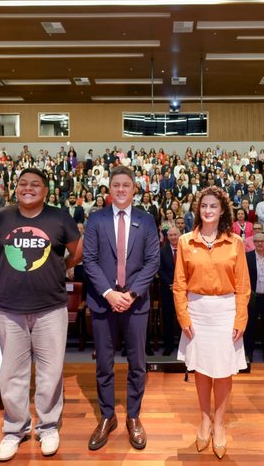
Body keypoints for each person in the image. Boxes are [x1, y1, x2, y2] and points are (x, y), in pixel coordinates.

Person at [0, 168, 82, 460]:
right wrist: (5, 268)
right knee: (12, 373)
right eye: (23, 183)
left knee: (51, 373)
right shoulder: (0, 218)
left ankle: (48, 427)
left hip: (51, 308)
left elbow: (77, 253)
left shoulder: (60, 218)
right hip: (9, 308)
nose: (28, 188)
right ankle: (15, 429)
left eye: (35, 184)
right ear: (16, 188)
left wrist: (59, 267)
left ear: (45, 191)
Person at [82, 166, 160, 452]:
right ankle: (107, 416)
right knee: (104, 364)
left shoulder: (146, 220)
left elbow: (152, 261)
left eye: (126, 185)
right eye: (116, 185)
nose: (121, 189)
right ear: (109, 188)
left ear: (134, 188)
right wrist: (109, 293)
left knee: (137, 364)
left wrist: (131, 294)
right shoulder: (96, 219)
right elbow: (89, 260)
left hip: (135, 303)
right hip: (103, 302)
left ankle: (133, 416)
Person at [172, 186, 251, 459]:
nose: (208, 210)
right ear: (198, 210)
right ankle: (205, 418)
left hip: (226, 311)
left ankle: (219, 423)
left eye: (213, 206)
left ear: (222, 211)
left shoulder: (235, 242)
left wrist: (241, 317)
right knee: (202, 369)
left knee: (224, 370)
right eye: (204, 206)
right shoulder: (185, 241)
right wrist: (183, 315)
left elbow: (243, 285)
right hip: (196, 312)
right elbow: (179, 283)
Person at [244, 231, 264, 364]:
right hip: (253, 297)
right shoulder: (247, 257)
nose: (260, 244)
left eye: (263, 241)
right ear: (253, 243)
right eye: (257, 241)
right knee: (250, 326)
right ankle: (248, 353)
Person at [157, 225, 181, 357]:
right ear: (167, 237)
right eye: (170, 235)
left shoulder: (185, 249)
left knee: (182, 319)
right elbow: (159, 269)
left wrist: (179, 285)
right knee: (168, 319)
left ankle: (184, 346)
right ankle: (168, 346)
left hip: (183, 291)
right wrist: (170, 284)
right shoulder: (162, 251)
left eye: (175, 235)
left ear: (179, 235)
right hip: (167, 290)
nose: (173, 237)